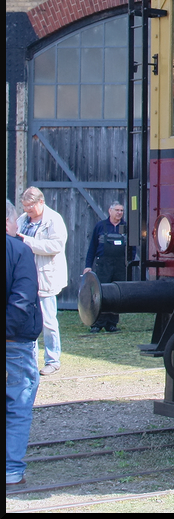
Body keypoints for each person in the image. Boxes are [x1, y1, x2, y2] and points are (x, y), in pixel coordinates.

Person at [7, 199, 43, 487]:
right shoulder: (20, 251)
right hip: (13, 341)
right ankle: (10, 469)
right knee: (17, 404)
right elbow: (22, 300)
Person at [15, 187, 68, 376]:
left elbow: (56, 245)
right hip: (25, 278)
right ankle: (30, 359)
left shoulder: (54, 220)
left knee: (48, 322)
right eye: (25, 206)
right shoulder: (22, 220)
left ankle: (53, 360)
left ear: (41, 202)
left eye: (30, 206)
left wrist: (27, 242)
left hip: (46, 277)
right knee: (28, 320)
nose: (27, 210)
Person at [84, 201, 127, 333]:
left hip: (119, 265)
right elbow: (92, 247)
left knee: (117, 294)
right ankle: (97, 323)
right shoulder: (100, 226)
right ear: (110, 211)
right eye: (117, 210)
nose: (119, 213)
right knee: (100, 293)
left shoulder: (125, 227)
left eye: (121, 211)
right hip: (103, 265)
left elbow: (131, 248)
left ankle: (111, 323)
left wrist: (129, 262)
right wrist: (88, 266)